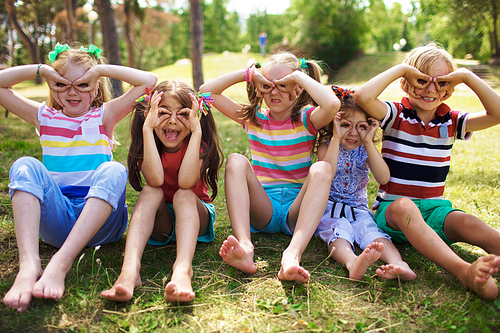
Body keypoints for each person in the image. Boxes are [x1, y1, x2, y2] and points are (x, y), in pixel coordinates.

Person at [1, 42, 158, 312]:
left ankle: (62, 262)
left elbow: (149, 82)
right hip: (58, 220)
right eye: (61, 84)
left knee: (114, 169)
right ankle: (29, 265)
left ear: (96, 88)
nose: (72, 92)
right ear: (51, 86)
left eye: (83, 84)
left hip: (101, 224)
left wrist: (100, 70)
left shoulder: (104, 116)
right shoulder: (45, 117)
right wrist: (42, 70)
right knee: (24, 165)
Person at [354, 43, 500, 300]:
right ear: (406, 83)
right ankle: (464, 272)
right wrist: (401, 68)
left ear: (450, 89)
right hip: (393, 213)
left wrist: (465, 76)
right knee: (405, 207)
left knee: (466, 220)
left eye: (442, 82)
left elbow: (497, 113)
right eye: (421, 80)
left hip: (435, 211)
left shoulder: (453, 121)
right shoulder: (395, 115)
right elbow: (363, 97)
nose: (431, 88)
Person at [199, 52, 340, 283]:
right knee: (236, 159)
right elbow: (206, 91)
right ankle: (245, 246)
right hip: (263, 208)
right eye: (267, 86)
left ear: (298, 89)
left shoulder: (307, 119)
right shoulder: (253, 118)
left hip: (297, 210)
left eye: (283, 86)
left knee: (322, 169)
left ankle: (292, 255)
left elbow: (332, 104)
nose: (274, 92)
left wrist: (298, 77)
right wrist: (248, 74)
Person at [101, 81, 223, 303]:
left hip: (196, 216)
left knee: (183, 194)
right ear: (150, 114)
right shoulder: (148, 143)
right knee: (151, 192)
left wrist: (196, 133)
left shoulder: (200, 143)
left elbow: (186, 183)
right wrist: (147, 129)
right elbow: (155, 180)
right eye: (163, 112)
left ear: (195, 116)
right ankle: (129, 270)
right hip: (162, 223)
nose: (173, 121)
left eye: (183, 114)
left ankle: (183, 270)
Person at [315, 87, 416, 281]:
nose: (353, 133)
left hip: (358, 208)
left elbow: (384, 178)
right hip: (328, 208)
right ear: (333, 124)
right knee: (339, 232)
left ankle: (399, 263)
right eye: (345, 125)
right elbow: (327, 172)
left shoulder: (365, 149)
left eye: (361, 126)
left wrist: (369, 142)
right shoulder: (326, 146)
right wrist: (336, 137)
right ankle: (352, 262)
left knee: (371, 231)